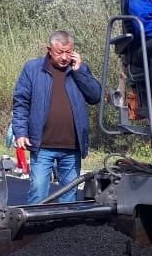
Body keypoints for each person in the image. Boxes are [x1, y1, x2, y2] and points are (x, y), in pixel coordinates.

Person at [11, 30, 103, 204]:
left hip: (72, 146)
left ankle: (64, 223)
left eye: (69, 52)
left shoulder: (78, 70)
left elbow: (95, 96)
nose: (64, 57)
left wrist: (80, 71)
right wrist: (21, 132)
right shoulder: (33, 69)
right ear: (49, 50)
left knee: (69, 196)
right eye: (60, 52)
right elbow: (21, 102)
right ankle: (35, 222)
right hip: (42, 145)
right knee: (38, 191)